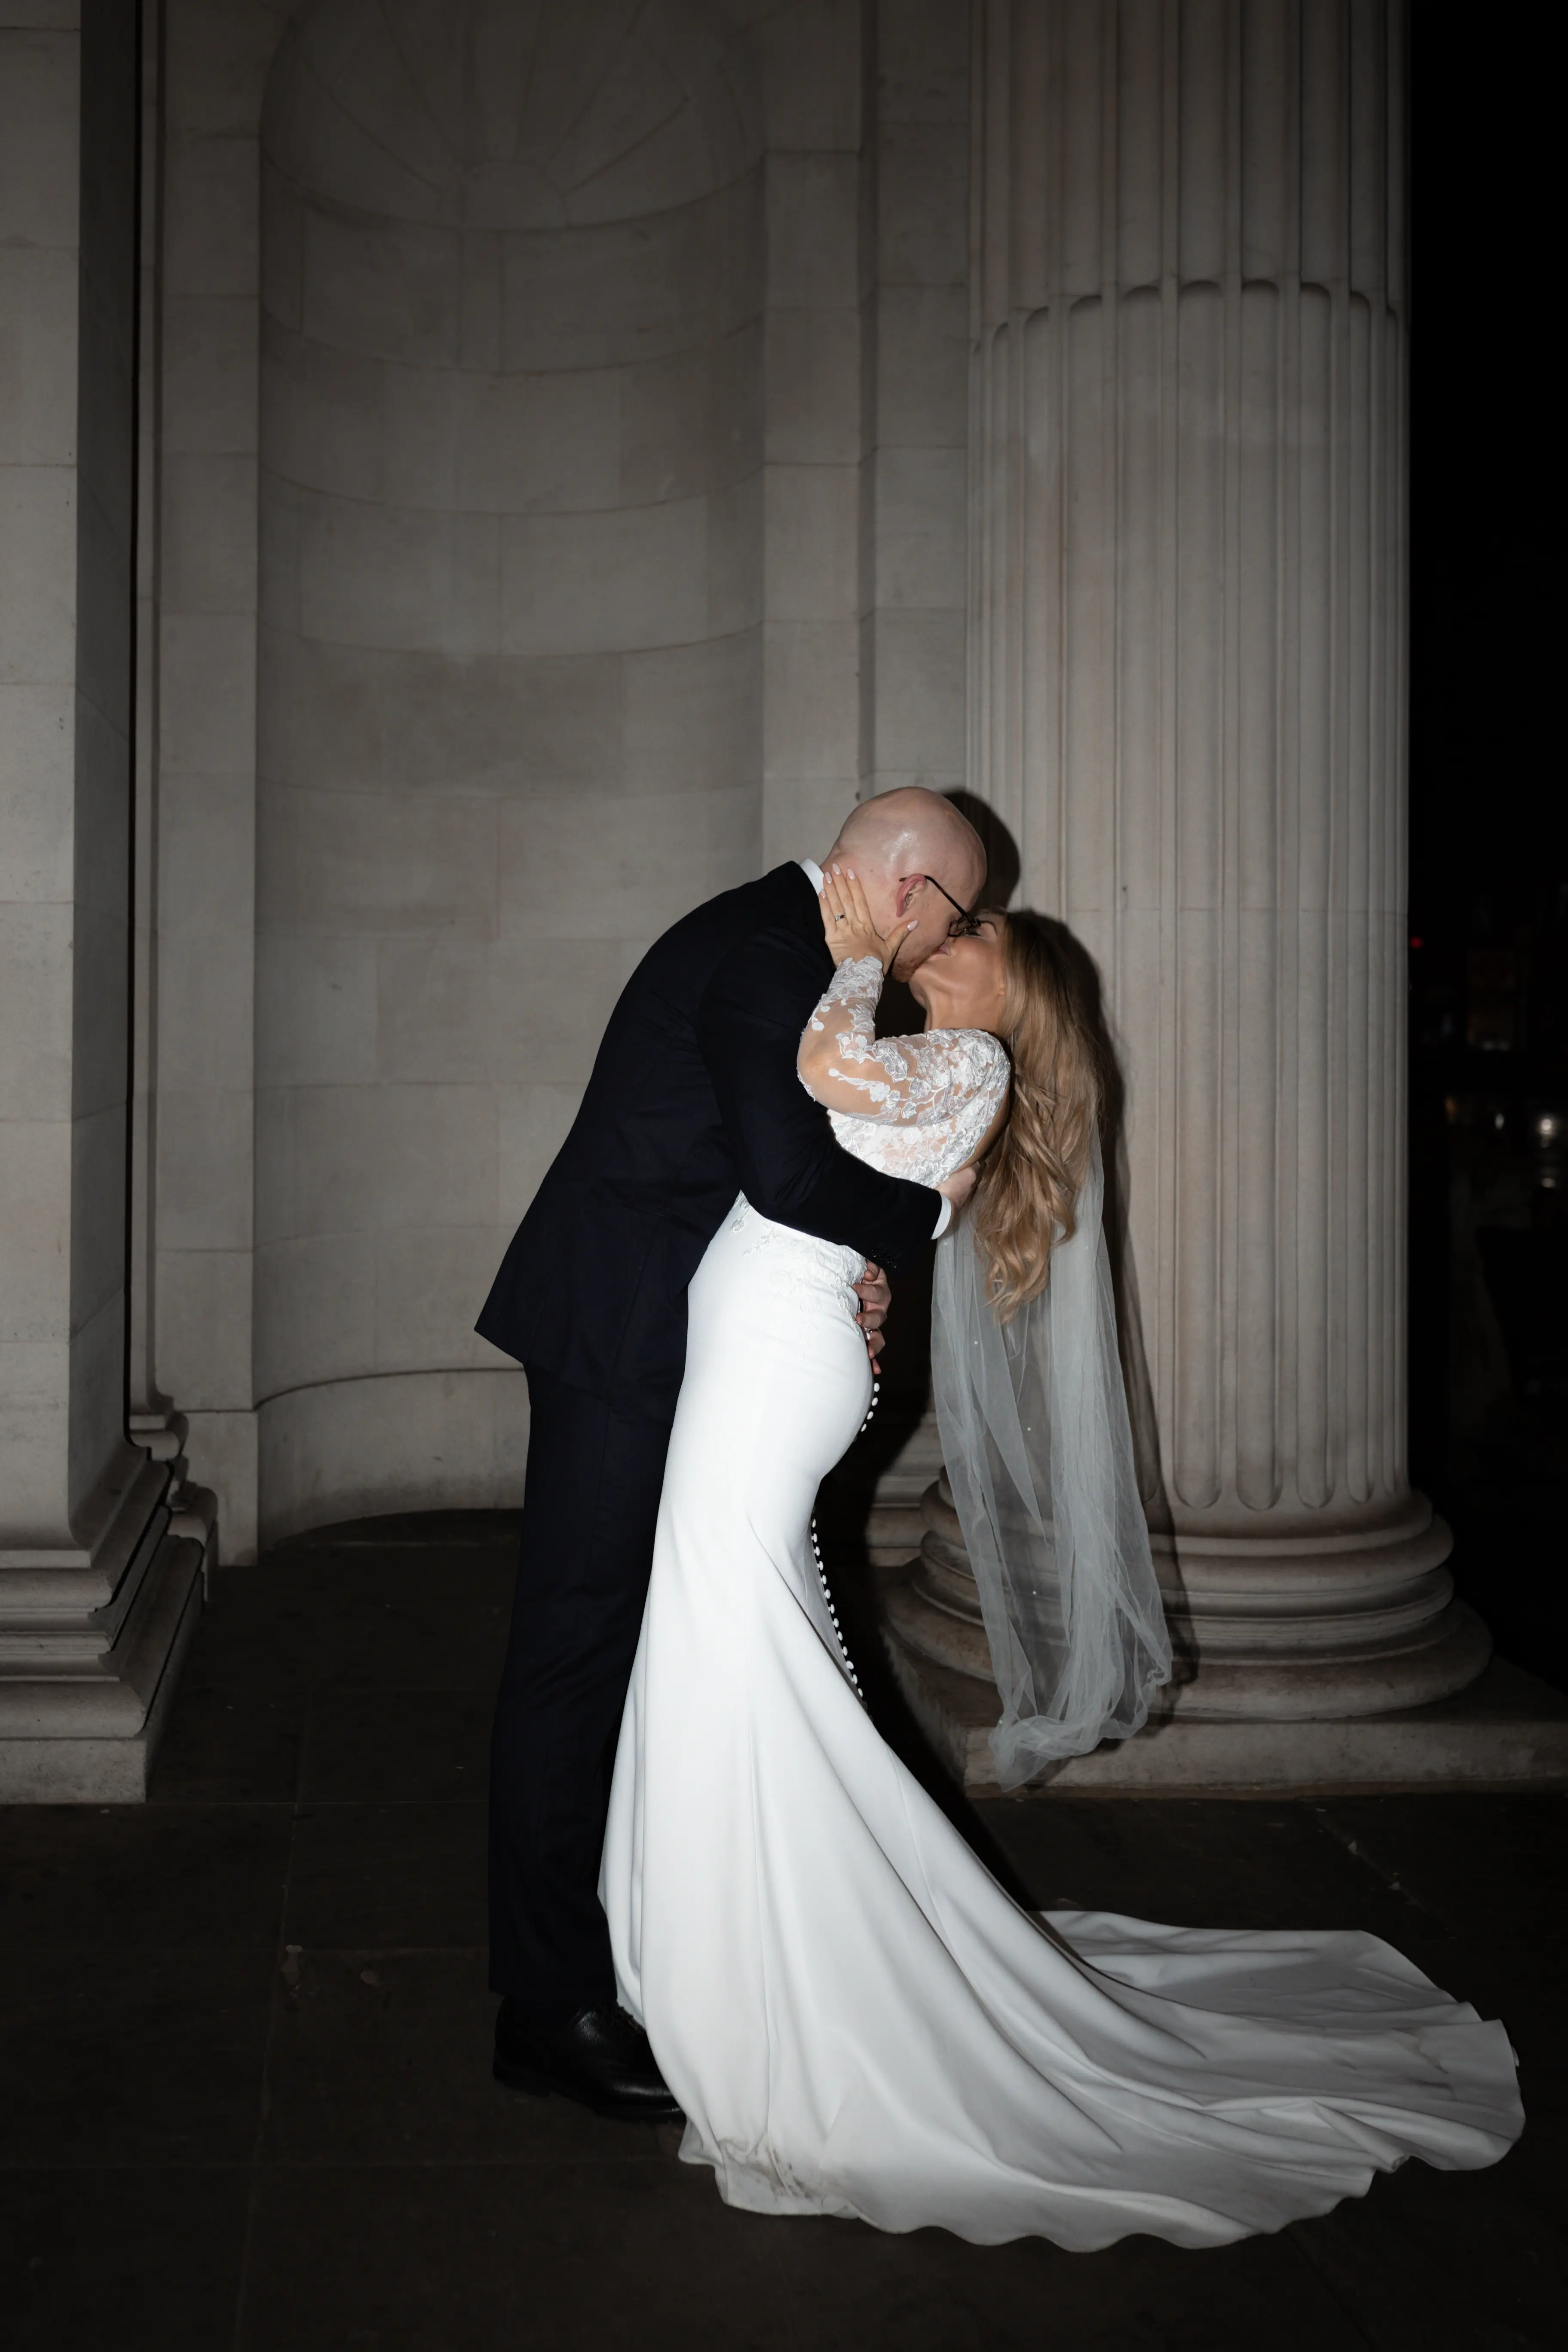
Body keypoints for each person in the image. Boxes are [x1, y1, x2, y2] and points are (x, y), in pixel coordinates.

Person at [597, 864, 1524, 2246]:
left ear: (1004, 991)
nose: (946, 939)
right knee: (736, 1646)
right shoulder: (941, 1065)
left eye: (968, 934)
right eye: (950, 922)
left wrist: (855, 943)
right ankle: (756, 1956)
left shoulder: (963, 1058)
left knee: (736, 1647)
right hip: (767, 1356)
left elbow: (816, 1065)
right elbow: (843, 1163)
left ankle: (786, 1973)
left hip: (773, 1377)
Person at [477, 788, 987, 2119]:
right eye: (960, 912)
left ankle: (632, 1943)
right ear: (912, 890)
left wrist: (844, 1273)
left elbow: (782, 1167)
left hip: (652, 1327)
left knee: (619, 1647)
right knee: (572, 1652)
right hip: (616, 1336)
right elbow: (783, 1172)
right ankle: (546, 2008)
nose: (950, 939)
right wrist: (923, 1222)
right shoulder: (774, 948)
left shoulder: (785, 946)